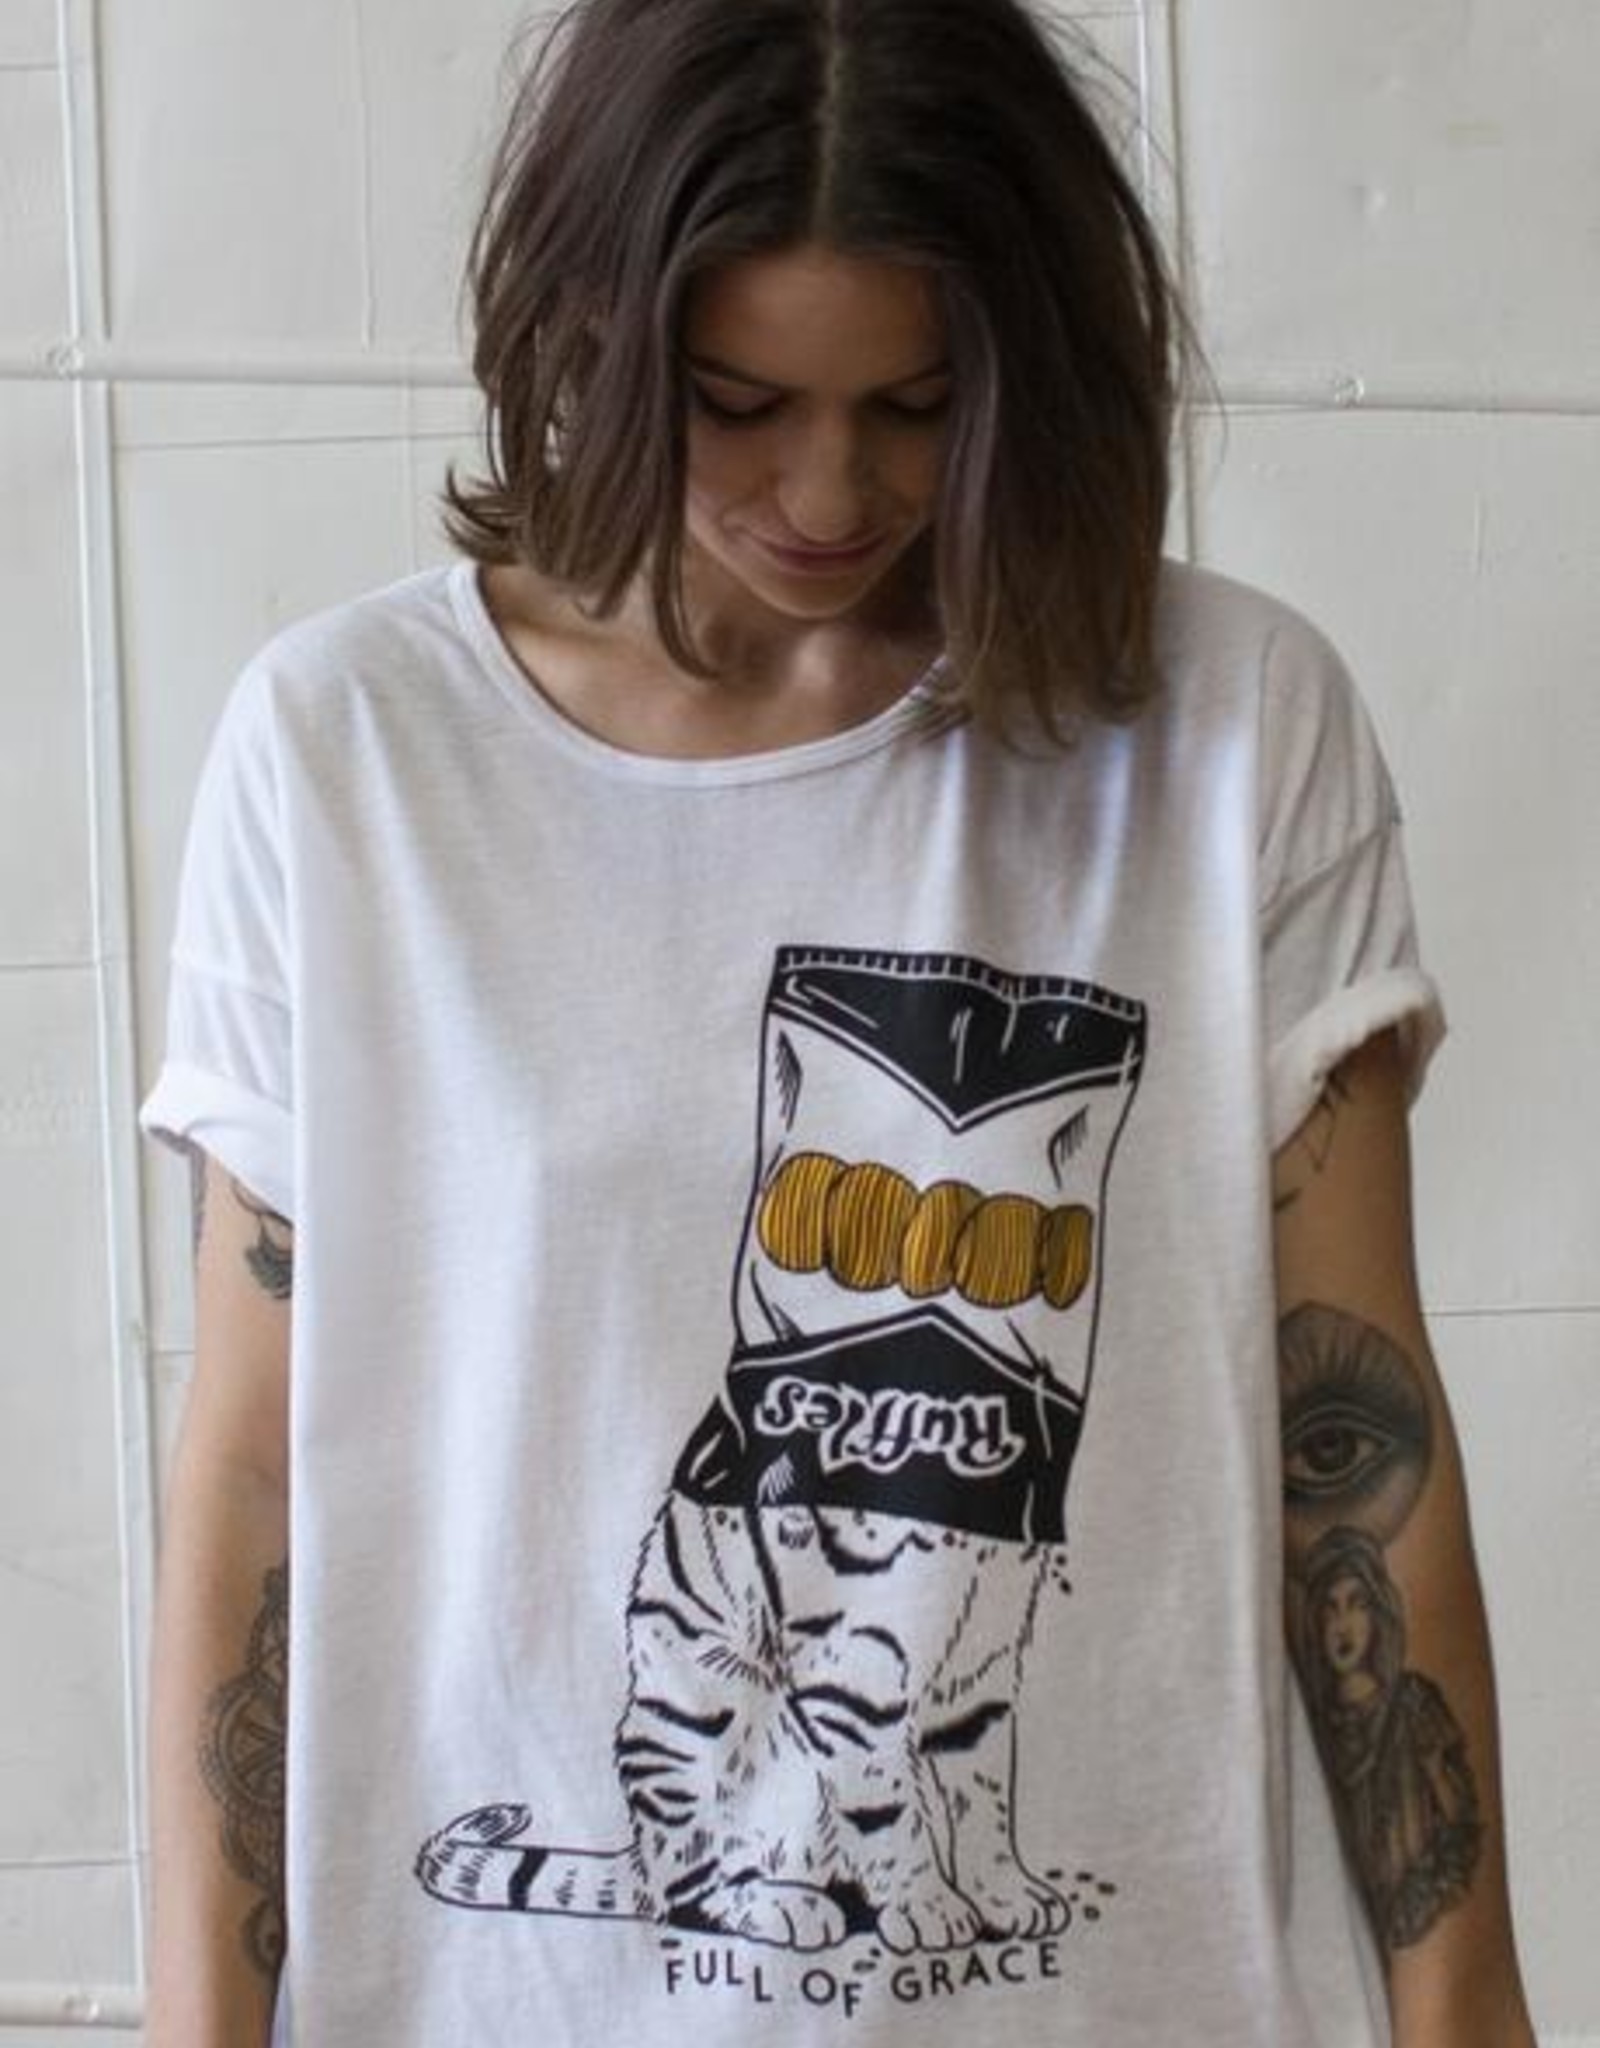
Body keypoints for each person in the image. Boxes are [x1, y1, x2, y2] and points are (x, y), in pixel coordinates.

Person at [136, 1, 1535, 2042]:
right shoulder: (349, 753)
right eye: (736, 403)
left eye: (918, 403)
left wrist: (1469, 2013)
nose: (826, 488)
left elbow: (1358, 1446)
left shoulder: (1233, 729)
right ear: (588, 332)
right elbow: (253, 1475)